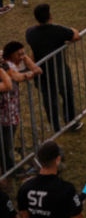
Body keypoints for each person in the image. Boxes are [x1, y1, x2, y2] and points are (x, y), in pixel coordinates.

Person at [26, 3, 83, 133]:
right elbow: (76, 35)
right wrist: (69, 32)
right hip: (59, 70)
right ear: (50, 16)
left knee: (49, 100)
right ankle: (70, 121)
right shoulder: (57, 31)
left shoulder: (30, 32)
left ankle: (56, 127)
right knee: (67, 94)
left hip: (41, 72)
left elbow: (33, 50)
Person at [0, 41, 41, 170]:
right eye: (19, 54)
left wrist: (25, 58)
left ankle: (9, 165)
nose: (22, 56)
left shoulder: (4, 59)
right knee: (5, 142)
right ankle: (8, 168)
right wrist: (26, 75)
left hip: (11, 109)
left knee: (8, 139)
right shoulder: (5, 65)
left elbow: (37, 70)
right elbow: (11, 81)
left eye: (23, 53)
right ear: (11, 55)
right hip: (4, 111)